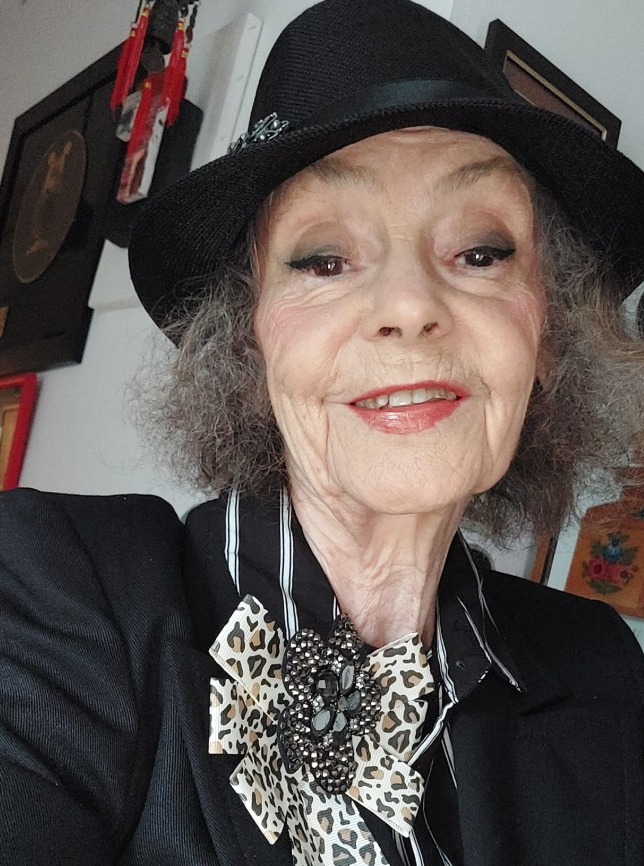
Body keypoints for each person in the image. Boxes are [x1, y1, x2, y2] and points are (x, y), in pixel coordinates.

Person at [2, 1, 643, 864]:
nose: (409, 306)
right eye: (324, 260)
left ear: (547, 331)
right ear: (250, 339)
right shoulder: (49, 591)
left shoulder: (605, 665)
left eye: (482, 251)